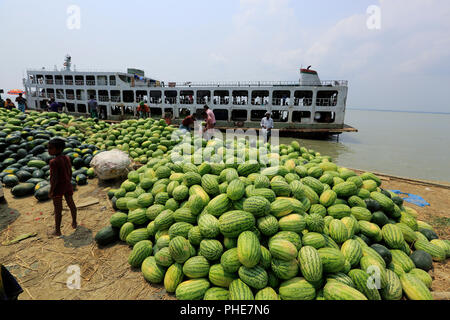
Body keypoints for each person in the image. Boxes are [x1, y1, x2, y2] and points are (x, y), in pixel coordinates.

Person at [48, 137, 77, 237]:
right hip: (67, 184)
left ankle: (57, 231)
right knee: (71, 204)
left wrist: (51, 190)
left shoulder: (53, 162)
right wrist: (68, 180)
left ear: (59, 149)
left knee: (58, 210)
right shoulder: (67, 158)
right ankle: (74, 222)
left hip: (58, 187)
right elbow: (70, 172)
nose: (48, 150)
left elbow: (54, 178)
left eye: (51, 148)